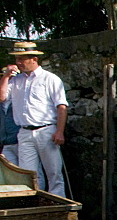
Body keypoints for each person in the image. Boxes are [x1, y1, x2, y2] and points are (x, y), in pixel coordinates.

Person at [0, 41, 67, 197]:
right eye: (16, 59)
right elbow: (2, 97)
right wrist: (5, 76)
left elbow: (61, 107)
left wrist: (59, 131)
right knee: (28, 174)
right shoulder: (15, 80)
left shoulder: (50, 79)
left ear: (34, 59)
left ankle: (59, 208)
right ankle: (34, 205)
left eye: (21, 59)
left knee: (54, 172)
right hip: (24, 132)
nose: (18, 63)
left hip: (46, 130)